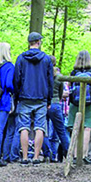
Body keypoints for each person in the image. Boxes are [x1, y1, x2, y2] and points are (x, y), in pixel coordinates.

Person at [13, 32, 53, 165]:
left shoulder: (21, 58)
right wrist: (49, 99)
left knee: (23, 127)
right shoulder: (46, 59)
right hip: (41, 97)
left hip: (25, 97)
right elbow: (50, 80)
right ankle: (36, 157)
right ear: (39, 42)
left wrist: (17, 96)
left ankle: (24, 157)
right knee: (40, 127)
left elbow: (16, 79)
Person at [66, 50, 91, 164]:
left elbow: (69, 87)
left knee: (75, 128)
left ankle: (75, 155)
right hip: (90, 103)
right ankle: (84, 155)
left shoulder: (73, 72)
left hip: (74, 103)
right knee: (87, 129)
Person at [47, 59, 71, 162]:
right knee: (61, 131)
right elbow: (61, 93)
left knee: (43, 130)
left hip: (44, 104)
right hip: (56, 104)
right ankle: (68, 153)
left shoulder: (44, 75)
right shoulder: (59, 77)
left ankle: (48, 154)